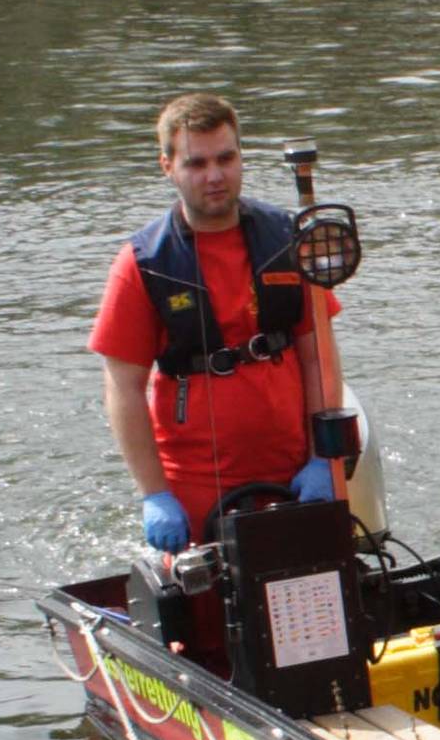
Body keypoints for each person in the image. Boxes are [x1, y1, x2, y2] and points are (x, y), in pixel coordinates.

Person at [92, 92, 343, 552]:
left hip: (295, 473)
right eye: (196, 163)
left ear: (241, 156)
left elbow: (318, 356)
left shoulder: (288, 239)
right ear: (167, 167)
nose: (214, 176)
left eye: (226, 158)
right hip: (194, 488)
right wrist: (154, 494)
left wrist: (324, 457)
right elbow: (123, 387)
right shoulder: (143, 265)